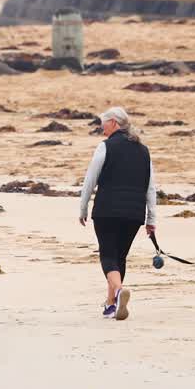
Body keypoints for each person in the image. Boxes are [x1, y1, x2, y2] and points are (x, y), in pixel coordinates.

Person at [78, 107, 157, 321]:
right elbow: (150, 188)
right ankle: (111, 304)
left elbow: (90, 180)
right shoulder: (144, 150)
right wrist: (151, 219)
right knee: (119, 257)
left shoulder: (105, 147)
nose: (101, 127)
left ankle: (120, 291)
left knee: (108, 255)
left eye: (103, 122)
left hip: (107, 211)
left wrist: (83, 207)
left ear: (113, 122)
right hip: (134, 214)